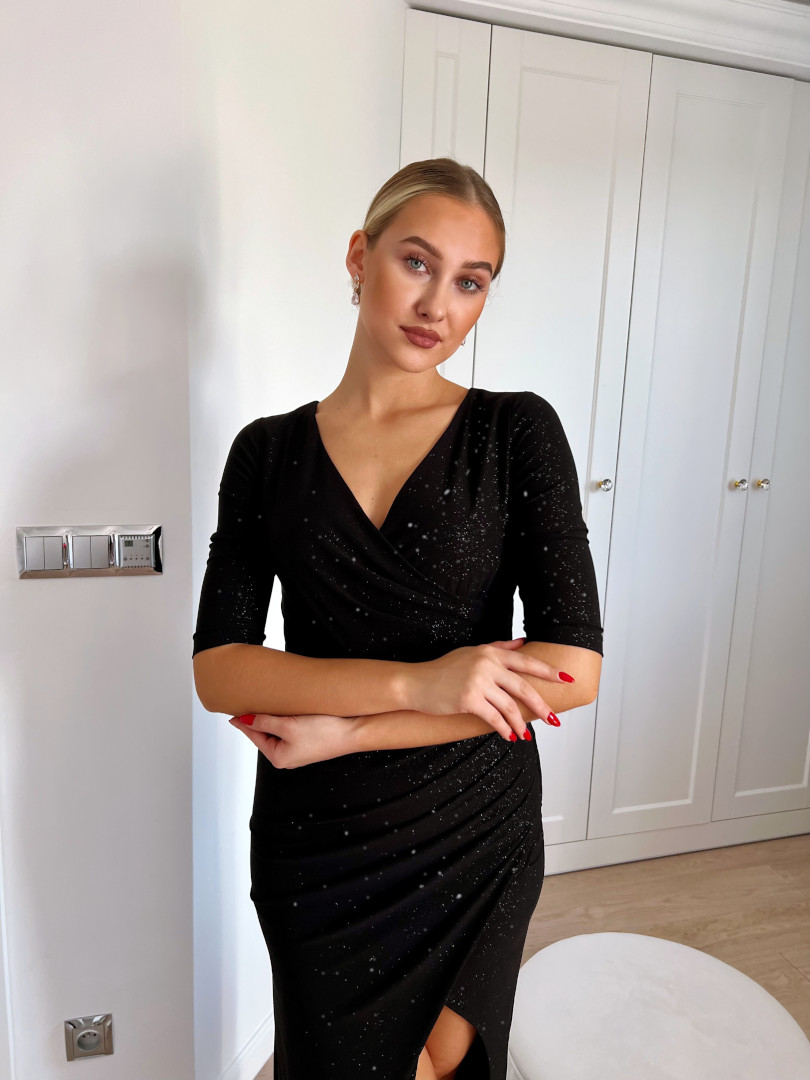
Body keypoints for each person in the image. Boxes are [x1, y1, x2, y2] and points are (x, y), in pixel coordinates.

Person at [192, 157, 604, 1080]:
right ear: (359, 256)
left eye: (470, 281)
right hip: (316, 840)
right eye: (417, 262)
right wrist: (421, 682)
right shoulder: (265, 453)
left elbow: (574, 670)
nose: (437, 305)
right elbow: (220, 668)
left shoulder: (516, 432)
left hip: (474, 829)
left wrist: (353, 730)